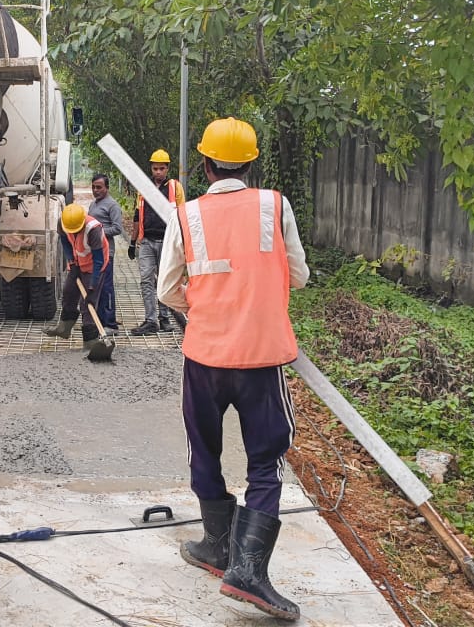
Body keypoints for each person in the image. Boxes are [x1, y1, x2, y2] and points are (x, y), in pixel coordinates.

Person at [158, 117, 310, 621]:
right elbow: (301, 276)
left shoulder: (187, 215)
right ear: (252, 164)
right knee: (266, 460)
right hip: (260, 360)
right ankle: (247, 568)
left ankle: (215, 546)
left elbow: (166, 292)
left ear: (203, 165)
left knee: (204, 447)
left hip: (203, 358)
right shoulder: (275, 205)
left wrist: (205, 308)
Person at [129, 149, 185, 335]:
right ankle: (150, 320)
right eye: (155, 168)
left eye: (162, 168)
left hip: (167, 242)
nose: (158, 172)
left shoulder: (175, 187)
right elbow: (138, 215)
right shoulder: (144, 188)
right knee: (146, 281)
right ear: (151, 168)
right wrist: (132, 241)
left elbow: (183, 215)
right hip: (146, 242)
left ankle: (164, 319)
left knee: (164, 281)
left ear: (168, 168)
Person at [43, 203, 111, 346]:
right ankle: (64, 328)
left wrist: (93, 284)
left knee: (88, 304)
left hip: (94, 268)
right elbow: (65, 242)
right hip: (78, 263)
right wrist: (72, 263)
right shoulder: (63, 222)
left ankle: (90, 340)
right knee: (68, 292)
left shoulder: (93, 229)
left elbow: (98, 259)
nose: (73, 233)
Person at [86, 174, 123, 334]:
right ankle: (100, 321)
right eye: (94, 187)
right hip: (95, 253)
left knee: (106, 287)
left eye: (99, 187)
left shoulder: (112, 205)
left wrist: (98, 232)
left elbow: (117, 228)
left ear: (106, 188)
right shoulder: (93, 204)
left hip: (107, 253)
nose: (96, 190)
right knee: (97, 286)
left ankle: (110, 324)